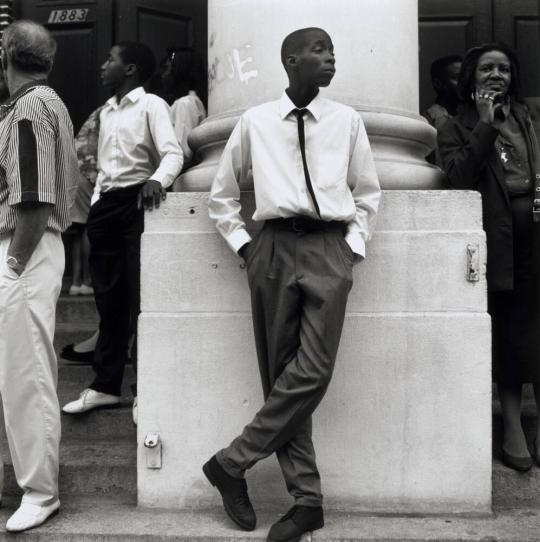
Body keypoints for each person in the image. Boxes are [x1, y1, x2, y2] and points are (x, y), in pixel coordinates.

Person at [205, 27, 380, 542]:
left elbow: (368, 193)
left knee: (313, 371)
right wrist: (245, 247)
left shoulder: (346, 120)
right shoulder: (255, 122)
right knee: (281, 372)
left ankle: (231, 462)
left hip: (330, 248)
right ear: (291, 60)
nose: (330, 60)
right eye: (319, 51)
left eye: (332, 52)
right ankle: (307, 502)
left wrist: (351, 248)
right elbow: (220, 195)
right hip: (273, 249)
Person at [62, 42, 183, 418]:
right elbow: (102, 166)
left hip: (138, 204)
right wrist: (97, 201)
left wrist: (157, 181)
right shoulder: (107, 112)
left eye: (109, 59)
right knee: (108, 301)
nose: (102, 65)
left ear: (129, 69)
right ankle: (105, 386)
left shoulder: (152, 105)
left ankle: (145, 390)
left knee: (139, 303)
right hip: (107, 206)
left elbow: (174, 153)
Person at [438, 43, 540, 472]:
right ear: (471, 78)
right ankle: (513, 425)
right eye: (486, 69)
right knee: (513, 331)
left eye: (503, 69)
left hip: (537, 236)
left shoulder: (530, 117)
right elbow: (456, 177)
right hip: (499, 243)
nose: (496, 75)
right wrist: (484, 125)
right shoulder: (455, 126)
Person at [0, 20, 78, 531]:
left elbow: (34, 197)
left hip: (23, 251)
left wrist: (11, 264)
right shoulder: (49, 103)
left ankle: (40, 491)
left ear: (7, 54)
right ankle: (30, 483)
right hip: (32, 249)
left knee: (27, 377)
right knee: (20, 373)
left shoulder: (29, 107)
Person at [67, 106, 102, 296]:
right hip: (89, 173)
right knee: (88, 227)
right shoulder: (108, 113)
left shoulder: (95, 115)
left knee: (78, 230)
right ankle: (87, 281)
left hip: (76, 171)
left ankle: (75, 282)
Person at [161, 48, 206, 166]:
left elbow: (183, 153)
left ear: (178, 71)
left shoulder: (185, 103)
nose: (163, 75)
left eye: (167, 69)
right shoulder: (186, 102)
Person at [424, 55, 462, 131]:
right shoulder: (433, 118)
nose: (464, 83)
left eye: (464, 78)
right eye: (456, 78)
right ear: (438, 83)